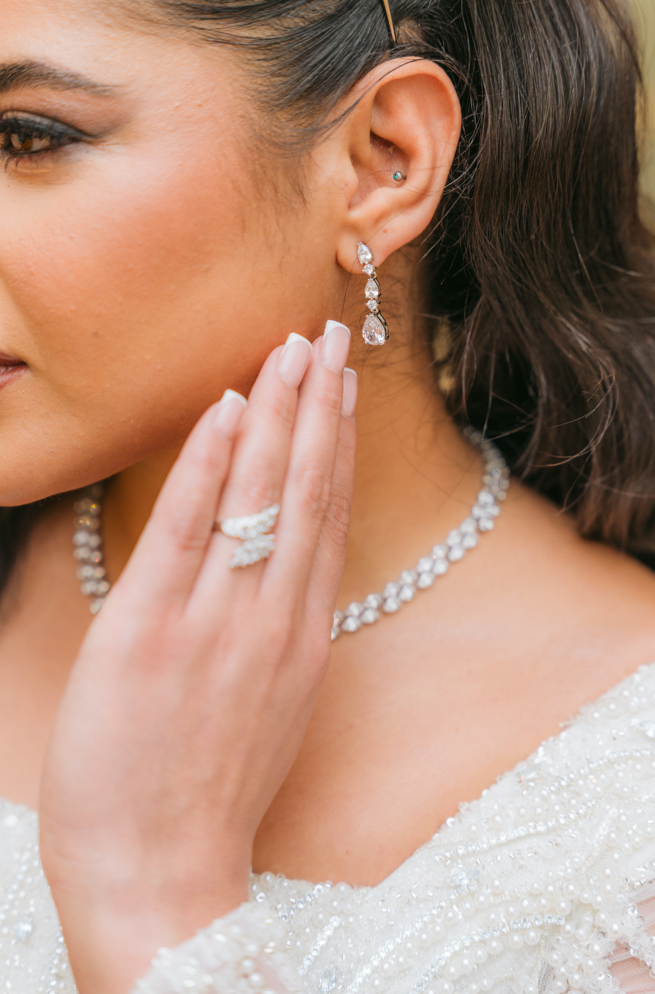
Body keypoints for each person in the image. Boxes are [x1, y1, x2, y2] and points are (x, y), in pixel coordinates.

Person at [1, 0, 655, 992]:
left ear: (383, 162)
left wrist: (154, 906)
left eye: (26, 137)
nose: (17, 148)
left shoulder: (621, 798)